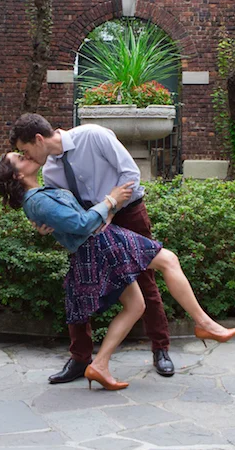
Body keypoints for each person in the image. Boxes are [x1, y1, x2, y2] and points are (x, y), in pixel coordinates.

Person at [0, 151, 235, 390]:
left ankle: (100, 365)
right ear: (17, 175)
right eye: (20, 158)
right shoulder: (37, 201)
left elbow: (68, 219)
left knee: (136, 306)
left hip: (95, 244)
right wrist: (111, 200)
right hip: (101, 242)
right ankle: (204, 323)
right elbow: (82, 224)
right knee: (169, 261)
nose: (26, 156)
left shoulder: (40, 195)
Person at [9, 112, 173, 383]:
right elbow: (63, 209)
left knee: (145, 279)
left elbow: (131, 175)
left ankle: (160, 349)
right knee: (78, 288)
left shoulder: (92, 135)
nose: (26, 156)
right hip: (92, 226)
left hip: (127, 211)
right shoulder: (49, 172)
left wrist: (111, 208)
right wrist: (46, 224)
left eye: (25, 150)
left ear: (38, 139)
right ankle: (80, 358)